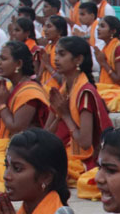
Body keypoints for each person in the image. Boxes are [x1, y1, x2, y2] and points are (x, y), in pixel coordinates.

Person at [44, 36, 112, 178]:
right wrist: (59, 116)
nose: (56, 59)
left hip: (82, 161)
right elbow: (46, 134)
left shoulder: (84, 92)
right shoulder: (64, 89)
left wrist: (66, 116)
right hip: (63, 151)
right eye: (56, 54)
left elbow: (85, 142)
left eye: (62, 54)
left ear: (78, 60)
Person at [0, 41, 50, 138]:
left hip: (24, 150)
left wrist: (1, 104)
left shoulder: (30, 92)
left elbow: (17, 130)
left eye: (3, 59)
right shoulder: (10, 88)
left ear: (18, 64)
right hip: (6, 146)